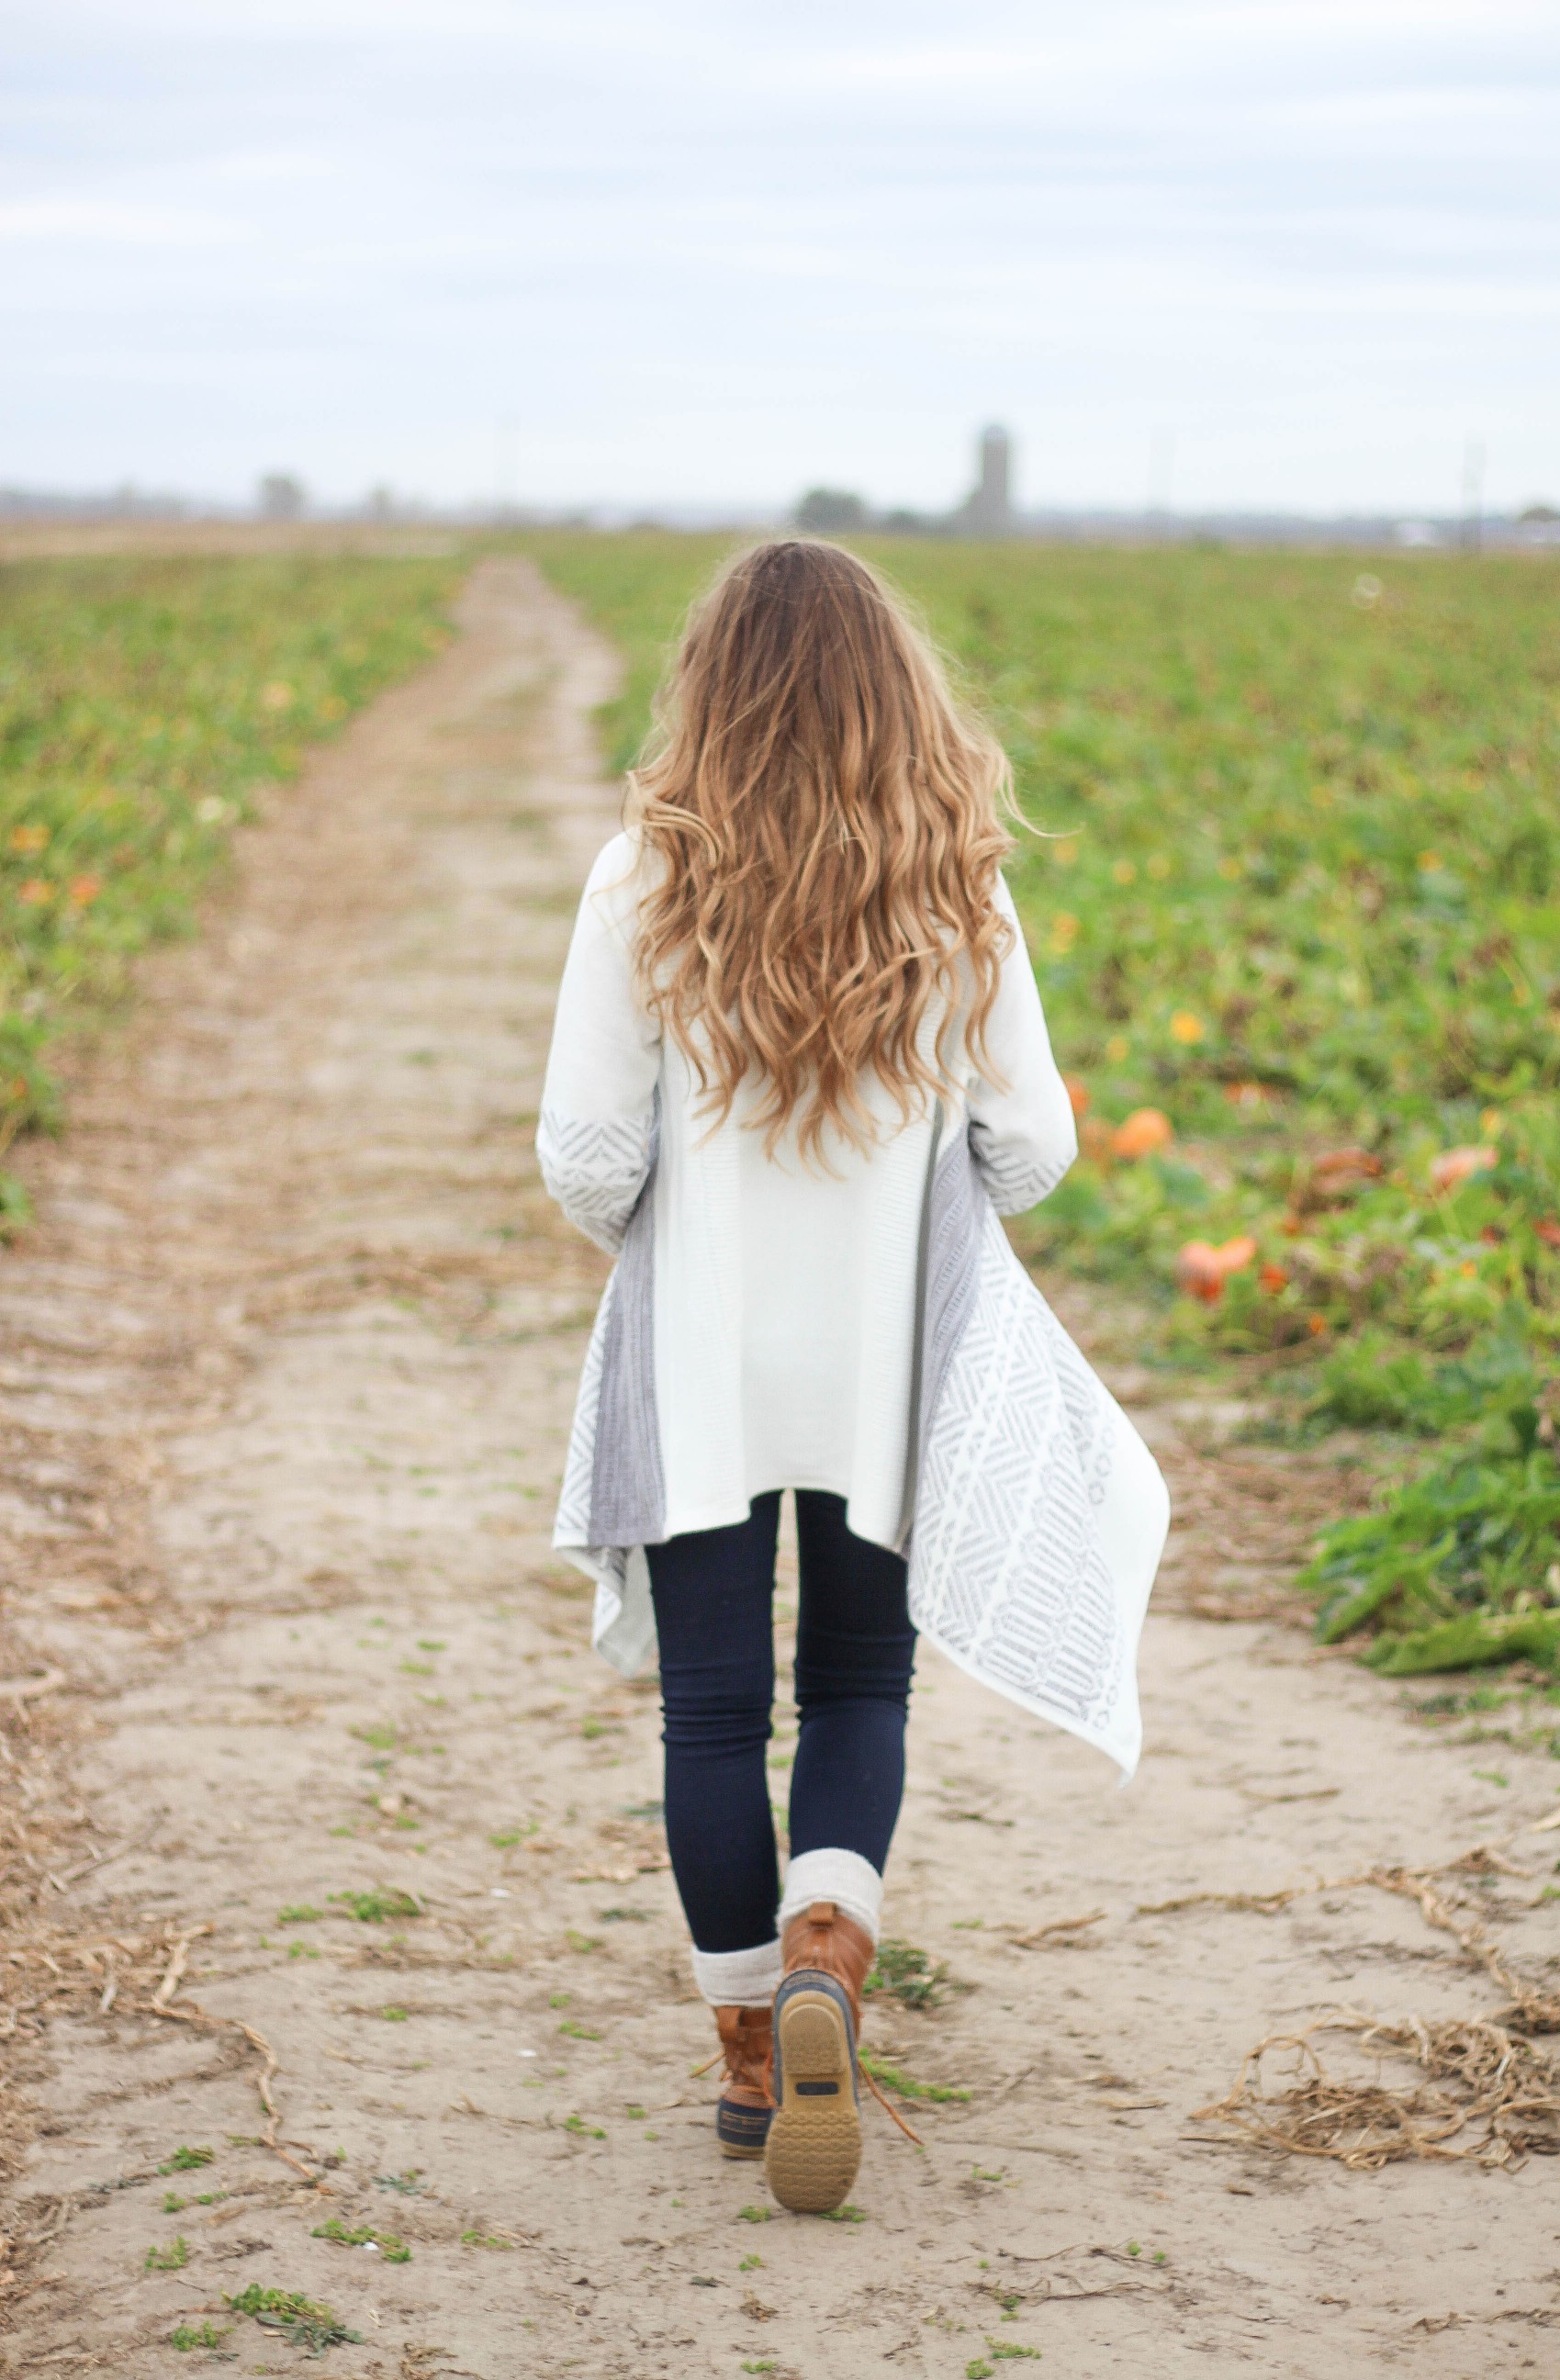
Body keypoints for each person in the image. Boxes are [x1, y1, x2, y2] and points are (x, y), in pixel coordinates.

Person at [537, 539, 1168, 2214]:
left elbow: (587, 1164)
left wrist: (695, 1188)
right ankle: (831, 1960)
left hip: (710, 1371)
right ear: (901, 700)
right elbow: (1030, 1154)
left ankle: (754, 2059)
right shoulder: (956, 887)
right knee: (864, 1694)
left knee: (714, 1707)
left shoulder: (638, 883)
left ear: (711, 695)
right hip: (898, 1375)